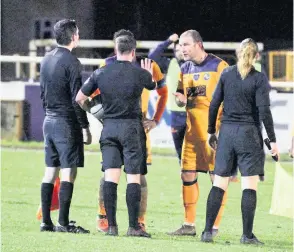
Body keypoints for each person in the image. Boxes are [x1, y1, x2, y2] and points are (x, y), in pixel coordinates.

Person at [76, 33, 155, 238]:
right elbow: (152, 85)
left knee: (111, 176)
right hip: (132, 129)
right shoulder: (140, 73)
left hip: (109, 128)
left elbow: (79, 98)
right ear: (134, 51)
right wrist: (148, 74)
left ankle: (111, 227)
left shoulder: (101, 72)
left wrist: (96, 111)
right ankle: (133, 227)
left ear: (115, 50)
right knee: (133, 178)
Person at [201, 38, 279, 245]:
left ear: (238, 53)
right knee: (249, 186)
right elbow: (264, 111)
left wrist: (211, 131)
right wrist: (272, 140)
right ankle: (246, 236)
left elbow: (214, 104)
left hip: (226, 133)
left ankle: (207, 232)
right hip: (249, 135)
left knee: (219, 183)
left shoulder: (226, 74)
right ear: (257, 56)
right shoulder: (259, 78)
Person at [94, 29, 168, 233]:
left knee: (138, 176)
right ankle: (104, 216)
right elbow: (96, 95)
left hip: (137, 127)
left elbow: (163, 93)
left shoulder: (149, 66)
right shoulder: (106, 66)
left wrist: (155, 119)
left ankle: (138, 221)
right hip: (118, 125)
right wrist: (105, 116)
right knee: (110, 174)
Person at [168, 30, 229, 237]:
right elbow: (180, 95)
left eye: (186, 45)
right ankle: (188, 225)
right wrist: (179, 100)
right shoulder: (184, 68)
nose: (181, 49)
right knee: (186, 174)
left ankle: (214, 227)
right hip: (192, 134)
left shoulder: (219, 66)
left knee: (217, 178)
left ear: (198, 45)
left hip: (214, 133)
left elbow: (230, 97)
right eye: (180, 46)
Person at [39, 19, 91, 233]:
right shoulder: (72, 62)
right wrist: (85, 126)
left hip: (48, 121)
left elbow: (43, 95)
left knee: (50, 171)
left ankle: (46, 222)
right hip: (66, 123)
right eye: (77, 33)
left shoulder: (46, 59)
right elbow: (77, 99)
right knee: (68, 171)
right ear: (73, 36)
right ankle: (63, 222)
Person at [148, 34, 186, 162]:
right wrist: (168, 40)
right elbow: (152, 56)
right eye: (177, 49)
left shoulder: (196, 65)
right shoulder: (170, 64)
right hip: (176, 115)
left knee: (199, 151)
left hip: (193, 113)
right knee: (180, 153)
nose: (180, 51)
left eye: (182, 47)